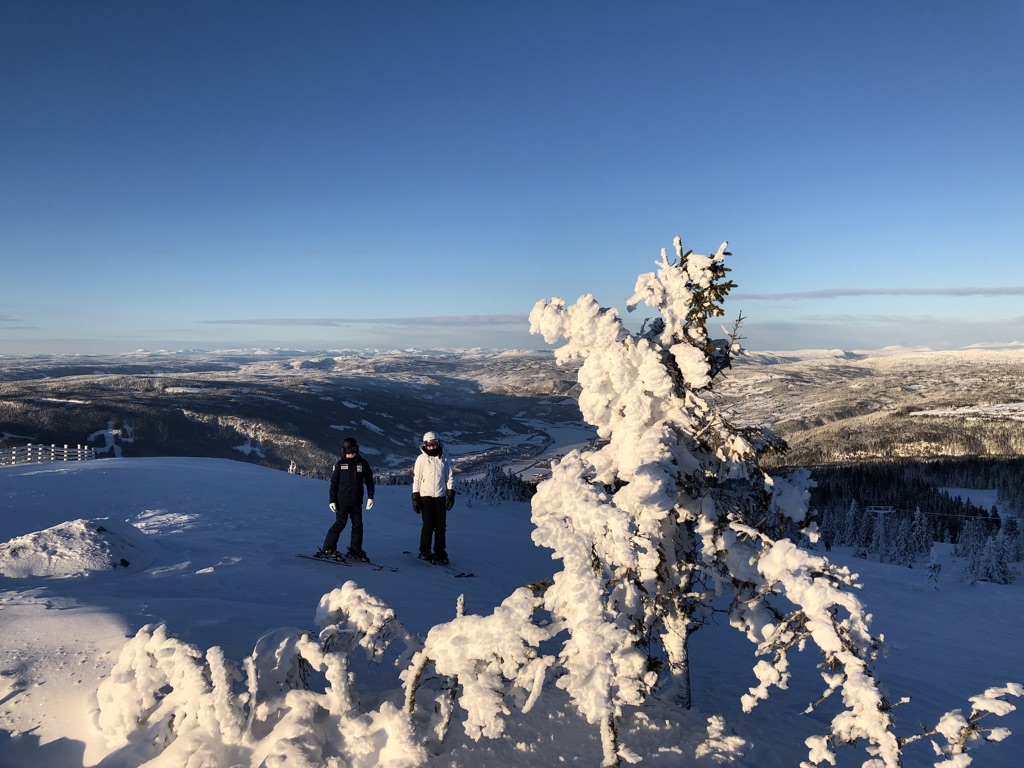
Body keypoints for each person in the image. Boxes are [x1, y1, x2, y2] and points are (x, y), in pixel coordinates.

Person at [318, 436, 375, 561]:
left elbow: (370, 481)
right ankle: (328, 548)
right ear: (343, 451)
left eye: (353, 450)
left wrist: (370, 496)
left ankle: (355, 549)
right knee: (340, 524)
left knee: (358, 526)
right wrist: (332, 500)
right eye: (348, 451)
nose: (351, 453)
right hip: (342, 502)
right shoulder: (340, 464)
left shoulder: (362, 463)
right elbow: (334, 483)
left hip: (356, 502)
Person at [412, 431, 455, 564]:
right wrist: (415, 497)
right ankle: (424, 550)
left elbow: (450, 477)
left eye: (434, 443)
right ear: (425, 444)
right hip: (426, 496)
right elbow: (417, 478)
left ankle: (439, 550)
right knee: (428, 525)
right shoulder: (421, 459)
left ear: (438, 443)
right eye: (429, 444)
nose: (432, 446)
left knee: (441, 526)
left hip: (440, 495)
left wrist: (450, 495)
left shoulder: (444, 457)